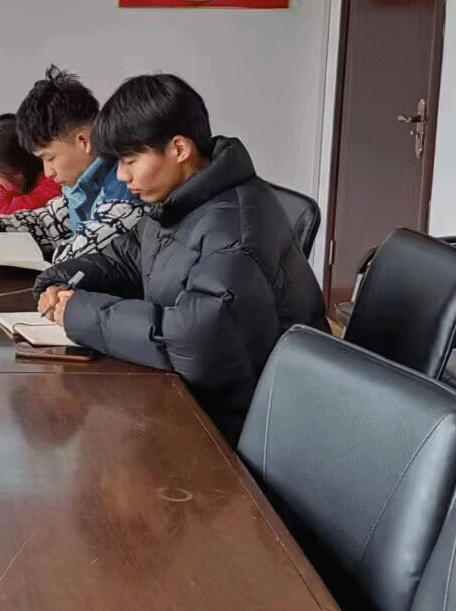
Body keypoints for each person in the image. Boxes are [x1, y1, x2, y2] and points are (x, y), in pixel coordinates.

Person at [34, 74, 327, 442]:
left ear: (179, 149)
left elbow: (195, 340)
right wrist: (61, 279)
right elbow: (127, 257)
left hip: (250, 429)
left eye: (130, 160)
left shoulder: (234, 228)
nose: (121, 175)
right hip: (195, 398)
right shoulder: (181, 199)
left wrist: (79, 312)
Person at [0, 66, 139, 266]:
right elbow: (48, 223)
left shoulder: (125, 189)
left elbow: (78, 258)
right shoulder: (81, 185)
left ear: (83, 142)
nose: (47, 172)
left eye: (50, 158)